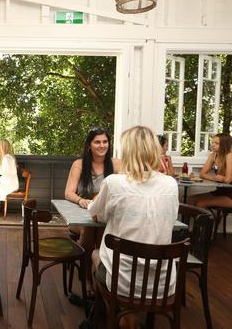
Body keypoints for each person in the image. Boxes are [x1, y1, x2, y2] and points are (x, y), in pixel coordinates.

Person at [88, 126, 178, 328]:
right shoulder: (171, 184)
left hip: (122, 282)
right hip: (161, 285)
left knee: (95, 255)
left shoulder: (114, 183)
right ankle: (129, 315)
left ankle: (119, 313)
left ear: (128, 152)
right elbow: (171, 220)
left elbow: (96, 214)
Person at [64, 127, 121, 296]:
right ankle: (88, 278)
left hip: (105, 216)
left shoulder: (117, 164)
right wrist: (81, 200)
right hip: (82, 217)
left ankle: (103, 277)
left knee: (105, 230)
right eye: (97, 142)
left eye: (105, 142)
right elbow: (68, 193)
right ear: (89, 145)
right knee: (90, 228)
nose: (102, 145)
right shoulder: (79, 164)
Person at [187, 133, 232, 208]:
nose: (213, 145)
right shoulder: (213, 155)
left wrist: (222, 178)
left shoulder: (230, 156)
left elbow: (228, 180)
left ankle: (204, 220)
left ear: (224, 145)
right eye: (212, 142)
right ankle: (190, 220)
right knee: (191, 199)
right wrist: (214, 178)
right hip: (221, 191)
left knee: (201, 203)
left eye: (217, 143)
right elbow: (202, 174)